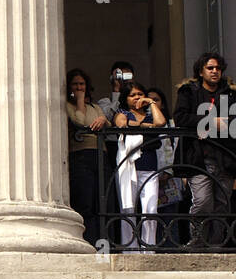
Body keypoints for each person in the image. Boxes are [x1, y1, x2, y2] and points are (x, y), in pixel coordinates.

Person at [174, 52, 236, 250]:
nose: (215, 71)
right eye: (210, 68)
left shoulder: (230, 93)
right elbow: (181, 118)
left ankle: (216, 244)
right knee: (202, 202)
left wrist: (215, 126)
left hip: (225, 158)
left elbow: (232, 123)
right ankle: (198, 241)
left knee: (222, 204)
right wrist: (210, 122)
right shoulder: (189, 92)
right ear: (201, 71)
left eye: (217, 68)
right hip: (198, 157)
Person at [113, 81, 166, 250]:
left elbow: (161, 122)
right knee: (128, 209)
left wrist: (151, 103)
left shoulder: (150, 114)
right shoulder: (123, 112)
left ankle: (148, 247)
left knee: (150, 209)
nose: (137, 97)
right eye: (132, 95)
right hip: (129, 166)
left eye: (139, 94)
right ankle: (130, 248)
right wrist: (145, 127)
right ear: (125, 98)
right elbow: (121, 123)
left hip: (149, 167)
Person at [66, 70, 107, 245]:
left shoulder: (95, 107)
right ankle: (88, 243)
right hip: (81, 156)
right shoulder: (67, 105)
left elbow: (106, 122)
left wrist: (103, 120)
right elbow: (79, 122)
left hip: (100, 155)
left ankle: (102, 245)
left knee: (102, 203)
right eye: (75, 84)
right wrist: (80, 100)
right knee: (85, 202)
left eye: (82, 84)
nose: (79, 87)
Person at [147, 87, 183, 250]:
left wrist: (168, 172)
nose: (152, 103)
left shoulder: (171, 124)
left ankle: (170, 250)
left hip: (169, 176)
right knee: (149, 216)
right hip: (148, 175)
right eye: (149, 100)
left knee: (169, 218)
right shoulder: (143, 123)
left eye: (156, 100)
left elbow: (175, 149)